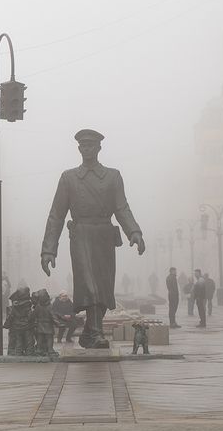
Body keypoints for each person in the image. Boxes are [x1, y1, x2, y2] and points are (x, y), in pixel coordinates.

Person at [41, 129, 145, 349]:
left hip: (105, 235)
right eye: (83, 145)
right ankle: (96, 333)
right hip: (81, 235)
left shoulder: (113, 176)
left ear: (99, 148)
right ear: (79, 148)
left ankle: (89, 332)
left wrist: (134, 232)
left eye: (90, 145)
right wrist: (49, 249)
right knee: (90, 286)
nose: (86, 149)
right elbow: (56, 215)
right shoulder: (68, 177)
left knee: (104, 288)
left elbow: (122, 207)